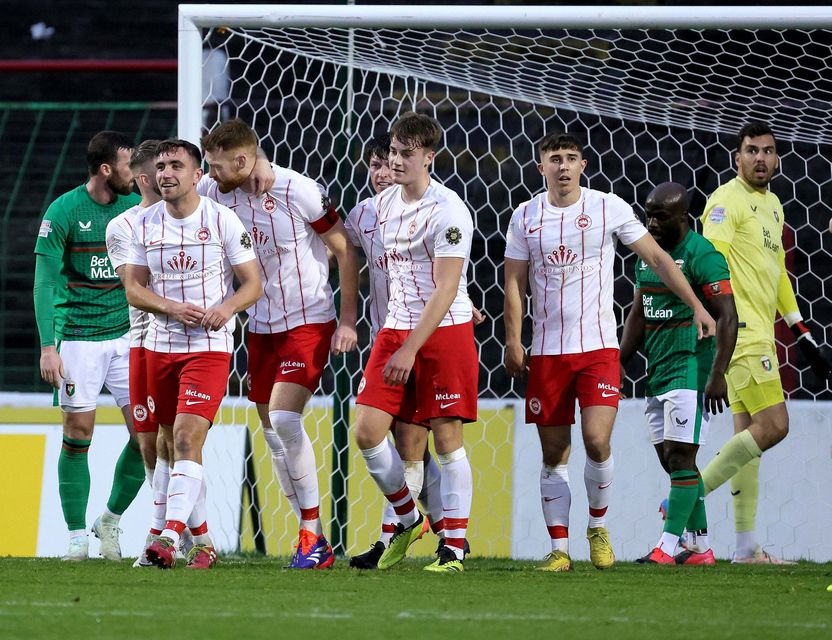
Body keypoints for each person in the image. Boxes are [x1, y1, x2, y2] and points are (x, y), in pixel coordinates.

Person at [503, 132, 716, 573]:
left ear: (584, 165)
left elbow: (658, 259)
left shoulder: (608, 207)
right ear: (540, 166)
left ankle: (597, 528)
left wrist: (697, 305)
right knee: (553, 453)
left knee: (598, 442)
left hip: (599, 348)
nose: (563, 166)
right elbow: (514, 283)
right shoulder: (525, 217)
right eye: (554, 159)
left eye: (571, 158)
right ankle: (560, 550)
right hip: (547, 351)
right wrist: (512, 339)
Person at [200, 119, 359, 569]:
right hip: (261, 325)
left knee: (287, 418)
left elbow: (345, 248)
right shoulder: (215, 193)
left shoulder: (298, 190)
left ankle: (311, 534)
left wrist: (348, 320)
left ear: (243, 159)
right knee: (272, 435)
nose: (211, 173)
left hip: (309, 320)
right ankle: (312, 539)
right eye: (208, 166)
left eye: (217, 165)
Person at [123, 139, 262, 569]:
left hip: (207, 348)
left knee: (185, 438)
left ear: (197, 175)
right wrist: (171, 308)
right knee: (168, 444)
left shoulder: (222, 220)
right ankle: (202, 542)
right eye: (161, 166)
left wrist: (226, 308)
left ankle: (165, 537)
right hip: (159, 346)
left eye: (175, 166)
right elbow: (133, 288)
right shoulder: (143, 225)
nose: (166, 173)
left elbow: (252, 284)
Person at [699, 121, 832, 563]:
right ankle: (685, 498)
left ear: (777, 158)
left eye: (768, 151)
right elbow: (706, 263)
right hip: (741, 334)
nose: (760, 158)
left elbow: (779, 278)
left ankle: (744, 546)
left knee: (747, 441)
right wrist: (717, 322)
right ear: (737, 157)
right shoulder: (724, 202)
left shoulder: (773, 205)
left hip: (762, 334)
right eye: (752, 150)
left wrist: (803, 334)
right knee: (775, 426)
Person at [353, 112, 478, 573]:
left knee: (446, 441)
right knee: (367, 431)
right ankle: (408, 518)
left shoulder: (449, 210)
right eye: (392, 153)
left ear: (430, 156)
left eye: (407, 154)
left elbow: (446, 288)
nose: (397, 161)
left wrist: (410, 348)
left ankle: (455, 548)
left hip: (443, 334)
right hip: (395, 328)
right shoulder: (382, 205)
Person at [34, 131, 147, 562]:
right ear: (105, 169)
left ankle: (111, 519)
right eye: (127, 166)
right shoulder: (63, 211)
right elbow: (45, 282)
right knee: (78, 434)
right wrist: (49, 347)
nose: (136, 173)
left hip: (127, 336)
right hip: (78, 337)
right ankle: (78, 536)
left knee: (146, 435)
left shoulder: (137, 208)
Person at [619, 182, 737, 565]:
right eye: (648, 213)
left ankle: (666, 548)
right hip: (658, 368)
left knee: (682, 457)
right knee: (671, 461)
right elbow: (639, 310)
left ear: (684, 217)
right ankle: (700, 549)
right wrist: (617, 360)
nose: (651, 222)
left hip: (691, 365)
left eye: (660, 216)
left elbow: (728, 317)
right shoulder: (647, 254)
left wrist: (717, 374)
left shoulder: (704, 255)